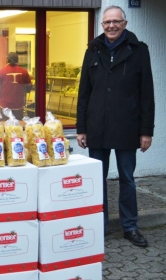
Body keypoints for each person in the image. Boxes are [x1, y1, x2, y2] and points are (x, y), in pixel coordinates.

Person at [76, 6, 155, 247]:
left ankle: (130, 226)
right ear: (102, 25)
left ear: (125, 23)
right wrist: (81, 128)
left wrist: (146, 131)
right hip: (97, 125)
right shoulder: (92, 50)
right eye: (107, 22)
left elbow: (146, 94)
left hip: (127, 127)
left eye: (116, 22)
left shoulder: (139, 51)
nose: (111, 26)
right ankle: (97, 225)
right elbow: (84, 92)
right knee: (97, 179)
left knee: (127, 179)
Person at [0, 52, 32, 120]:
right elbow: (29, 88)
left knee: (4, 127)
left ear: (7, 60)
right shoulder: (24, 71)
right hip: (18, 105)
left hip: (4, 105)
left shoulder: (1, 71)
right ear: (17, 60)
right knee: (17, 127)